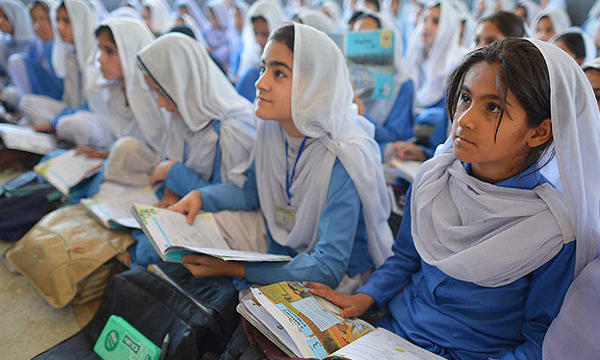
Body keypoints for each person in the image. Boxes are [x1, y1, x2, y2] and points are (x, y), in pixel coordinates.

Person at [306, 37, 600, 360]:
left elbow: (540, 339)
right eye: (465, 98)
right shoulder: (434, 179)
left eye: (493, 108)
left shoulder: (554, 232)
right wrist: (364, 298)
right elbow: (405, 260)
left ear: (539, 132)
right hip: (393, 335)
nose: (464, 120)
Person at [167, 23, 394, 294]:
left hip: (337, 278)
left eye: (279, 73)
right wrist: (202, 197)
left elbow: (328, 268)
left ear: (313, 86)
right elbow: (251, 194)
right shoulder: (272, 128)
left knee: (242, 299)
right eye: (263, 69)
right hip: (280, 245)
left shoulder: (343, 152)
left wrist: (234, 268)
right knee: (191, 245)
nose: (260, 83)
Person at [129, 32, 256, 267]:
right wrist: (171, 192)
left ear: (184, 83)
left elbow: (235, 198)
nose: (159, 103)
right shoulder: (181, 115)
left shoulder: (232, 127)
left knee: (149, 251)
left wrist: (173, 172)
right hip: (191, 204)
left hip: (222, 216)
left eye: (162, 92)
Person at [351, 11, 413, 153]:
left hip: (385, 158)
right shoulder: (349, 81)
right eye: (358, 39)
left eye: (371, 38)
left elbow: (395, 138)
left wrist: (361, 114)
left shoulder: (402, 85)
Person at [7, 0, 63, 100]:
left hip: (61, 98)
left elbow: (61, 86)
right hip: (42, 95)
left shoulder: (61, 45)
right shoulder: (37, 44)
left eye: (42, 18)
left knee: (26, 103)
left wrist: (49, 42)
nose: (38, 24)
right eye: (34, 19)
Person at [235, 0, 286, 102]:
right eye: (256, 34)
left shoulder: (287, 63)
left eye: (265, 34)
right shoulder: (249, 62)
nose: (260, 40)